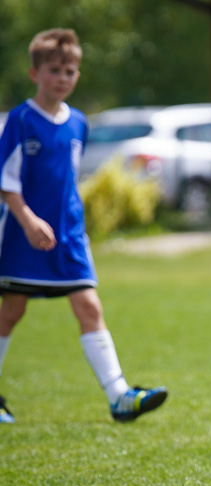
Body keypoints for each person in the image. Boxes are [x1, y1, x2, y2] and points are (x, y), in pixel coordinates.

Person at [0, 29, 168, 424]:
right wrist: (27, 220)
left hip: (69, 236)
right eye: (54, 69)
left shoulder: (78, 122)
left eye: (70, 70)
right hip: (23, 234)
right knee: (11, 310)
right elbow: (6, 181)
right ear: (34, 73)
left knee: (89, 305)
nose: (62, 77)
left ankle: (119, 395)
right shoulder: (21, 120)